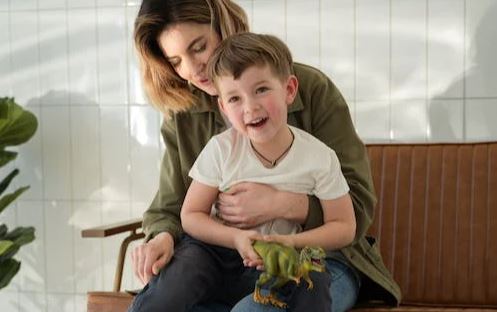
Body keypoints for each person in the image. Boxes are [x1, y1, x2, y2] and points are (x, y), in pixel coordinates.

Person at [129, 0, 401, 311]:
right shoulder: (185, 114)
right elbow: (173, 206)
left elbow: (356, 210)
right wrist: (162, 237)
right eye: (176, 61)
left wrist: (282, 204)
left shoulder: (312, 93)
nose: (191, 70)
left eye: (199, 47)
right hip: (226, 260)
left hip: (319, 259)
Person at [176, 32, 357, 311]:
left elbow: (345, 227)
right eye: (235, 98)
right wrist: (236, 238)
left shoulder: (319, 157)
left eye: (261, 90)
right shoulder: (222, 150)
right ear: (223, 108)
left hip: (296, 268)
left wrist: (290, 242)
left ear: (289, 90)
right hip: (235, 266)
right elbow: (191, 215)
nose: (251, 107)